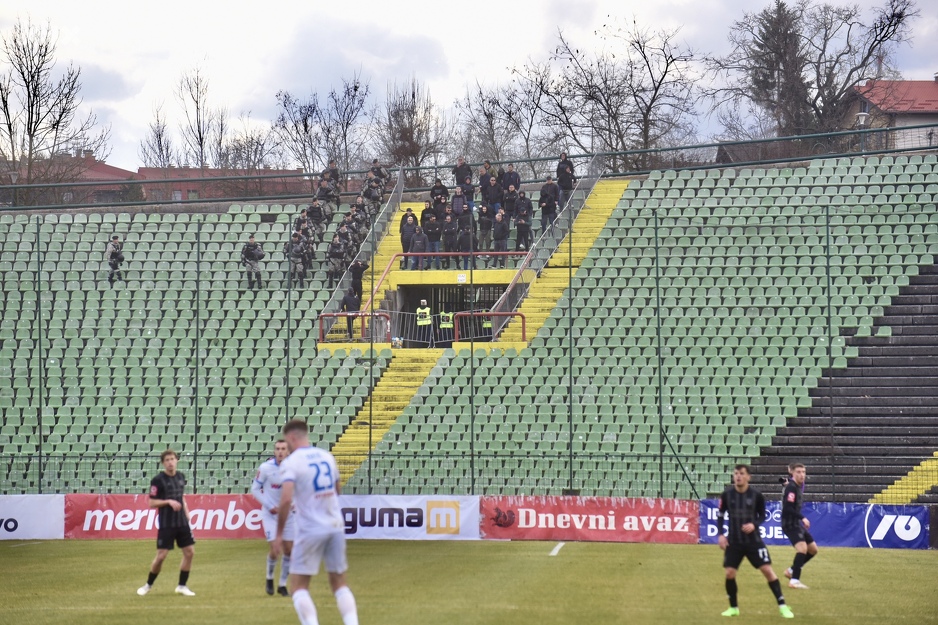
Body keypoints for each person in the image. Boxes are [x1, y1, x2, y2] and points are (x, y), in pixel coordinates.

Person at [273, 419, 359, 625]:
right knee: (339, 584)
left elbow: (286, 499)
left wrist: (278, 534)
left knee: (299, 587)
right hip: (335, 526)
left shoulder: (291, 463)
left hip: (311, 528)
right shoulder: (326, 456)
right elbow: (337, 490)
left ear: (291, 437)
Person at [718, 464, 794, 619]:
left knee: (767, 570)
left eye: (741, 474)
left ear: (748, 477)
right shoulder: (727, 495)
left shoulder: (756, 495)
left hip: (754, 541)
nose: (738, 476)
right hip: (734, 541)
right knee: (730, 573)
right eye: (736, 473)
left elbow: (762, 515)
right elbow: (720, 515)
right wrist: (721, 534)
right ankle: (733, 608)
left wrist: (754, 524)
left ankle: (783, 606)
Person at [137, 449, 196, 597]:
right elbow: (151, 502)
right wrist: (168, 501)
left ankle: (182, 586)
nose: (170, 462)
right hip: (166, 524)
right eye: (167, 460)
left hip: (181, 522)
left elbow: (181, 497)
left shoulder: (181, 477)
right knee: (161, 556)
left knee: (189, 552)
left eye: (172, 459)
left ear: (177, 460)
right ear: (163, 463)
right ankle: (148, 585)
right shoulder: (158, 480)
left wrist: (187, 513)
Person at [252, 439, 295, 596]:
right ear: (274, 451)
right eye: (277, 449)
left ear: (288, 451)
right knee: (275, 549)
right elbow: (255, 489)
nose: (280, 452)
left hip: (289, 516)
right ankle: (269, 577)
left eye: (283, 448)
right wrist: (270, 506)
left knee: (290, 551)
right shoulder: (265, 468)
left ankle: (282, 584)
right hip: (271, 515)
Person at [781, 463, 817, 590]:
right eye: (799, 472)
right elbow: (787, 508)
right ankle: (794, 581)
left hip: (795, 523)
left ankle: (791, 571)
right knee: (802, 549)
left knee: (813, 550)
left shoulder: (798, 487)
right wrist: (803, 517)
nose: (802, 474)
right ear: (792, 473)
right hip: (790, 524)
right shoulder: (791, 488)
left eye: (803, 472)